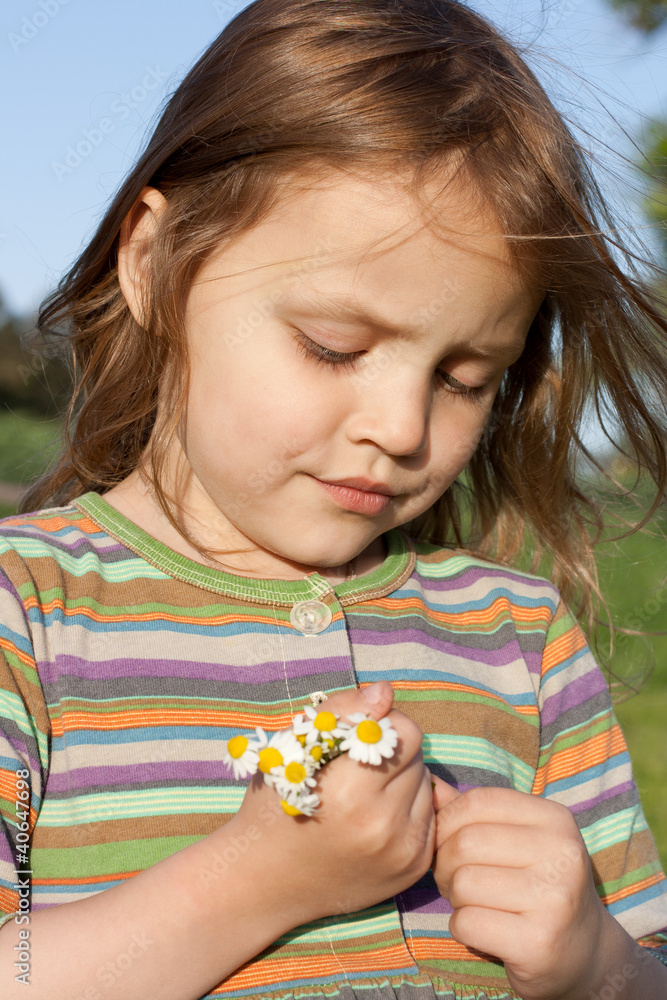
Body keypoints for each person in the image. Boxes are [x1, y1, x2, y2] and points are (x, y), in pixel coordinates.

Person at [0, 0, 666, 997]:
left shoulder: (518, 638)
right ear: (153, 264)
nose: (400, 426)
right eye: (333, 347)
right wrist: (254, 883)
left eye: (463, 378)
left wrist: (601, 965)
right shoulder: (27, 614)